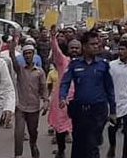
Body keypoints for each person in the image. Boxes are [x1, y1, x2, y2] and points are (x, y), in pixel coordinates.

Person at [59, 31, 115, 158]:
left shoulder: (103, 65)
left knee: (92, 143)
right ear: (84, 46)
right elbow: (65, 82)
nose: (96, 46)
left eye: (97, 44)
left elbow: (110, 89)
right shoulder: (75, 64)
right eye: (92, 44)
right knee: (78, 143)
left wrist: (113, 111)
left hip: (98, 110)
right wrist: (62, 97)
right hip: (79, 110)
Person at [8, 36, 48, 158]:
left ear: (33, 54)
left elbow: (43, 88)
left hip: (34, 107)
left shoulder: (40, 72)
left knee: (33, 132)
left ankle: (33, 145)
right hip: (20, 107)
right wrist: (12, 46)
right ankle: (18, 155)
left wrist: (46, 101)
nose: (28, 55)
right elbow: (13, 59)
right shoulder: (20, 69)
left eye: (30, 53)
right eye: (25, 53)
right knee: (18, 133)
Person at [48, 27, 80, 158]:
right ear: (68, 49)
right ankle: (61, 151)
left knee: (78, 128)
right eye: (72, 48)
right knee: (60, 127)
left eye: (77, 48)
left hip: (78, 99)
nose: (74, 50)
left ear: (81, 49)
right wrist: (53, 38)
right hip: (62, 99)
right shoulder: (63, 61)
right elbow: (56, 51)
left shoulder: (85, 63)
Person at [108, 40, 127, 158]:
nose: (120, 51)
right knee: (112, 128)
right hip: (114, 101)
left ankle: (125, 155)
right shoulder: (111, 65)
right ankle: (112, 146)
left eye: (123, 49)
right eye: (119, 49)